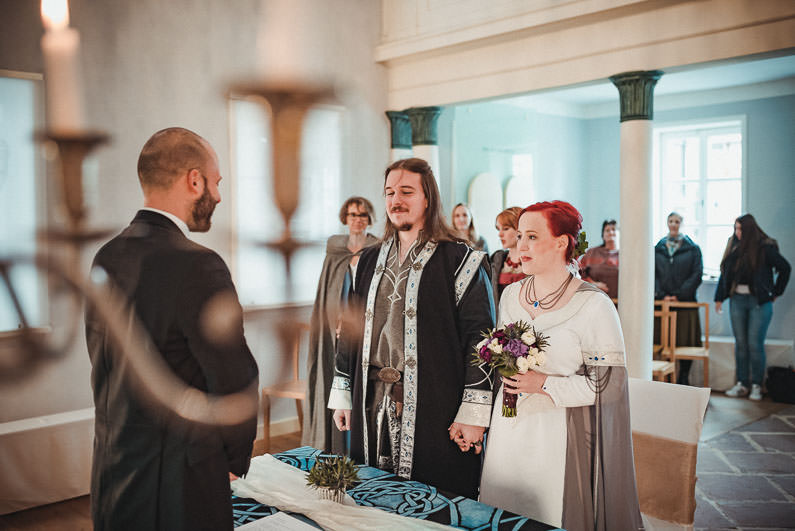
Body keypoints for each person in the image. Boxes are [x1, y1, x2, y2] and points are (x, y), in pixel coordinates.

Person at [85, 128, 259, 530]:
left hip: (113, 469)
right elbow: (233, 375)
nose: (218, 196)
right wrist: (233, 459)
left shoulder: (105, 256)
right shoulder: (198, 264)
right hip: (178, 480)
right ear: (194, 180)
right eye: (216, 183)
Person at [328, 158, 495, 499]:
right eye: (390, 192)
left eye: (406, 191)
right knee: (372, 496)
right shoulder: (367, 261)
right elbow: (351, 330)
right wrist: (343, 393)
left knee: (435, 499)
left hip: (437, 401)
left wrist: (474, 413)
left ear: (428, 198)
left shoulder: (462, 260)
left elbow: (481, 339)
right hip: (371, 401)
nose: (395, 200)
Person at [473, 201, 642, 530]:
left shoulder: (594, 305)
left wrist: (544, 383)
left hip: (558, 436)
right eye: (519, 235)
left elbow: (609, 385)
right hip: (508, 428)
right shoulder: (511, 294)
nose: (520, 246)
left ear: (562, 242)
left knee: (546, 516)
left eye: (532, 237)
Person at [303, 196, 379, 453]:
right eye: (352, 214)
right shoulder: (335, 251)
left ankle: (359, 446)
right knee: (331, 376)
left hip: (363, 330)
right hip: (333, 329)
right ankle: (331, 445)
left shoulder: (377, 250)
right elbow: (329, 291)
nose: (357, 219)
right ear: (344, 218)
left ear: (369, 218)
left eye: (362, 215)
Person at [715, 214, 790, 401]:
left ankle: (757, 384)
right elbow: (724, 273)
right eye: (735, 228)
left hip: (759, 302)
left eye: (740, 229)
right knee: (740, 344)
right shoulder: (733, 246)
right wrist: (719, 298)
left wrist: (775, 293)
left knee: (755, 344)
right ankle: (742, 384)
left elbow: (785, 268)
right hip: (737, 300)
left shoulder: (765, 247)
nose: (737, 232)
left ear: (749, 230)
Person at [654, 211, 703, 385]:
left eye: (677, 221)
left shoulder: (693, 249)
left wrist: (679, 295)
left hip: (685, 303)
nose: (674, 224)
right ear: (667, 223)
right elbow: (653, 275)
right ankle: (666, 377)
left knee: (685, 341)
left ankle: (683, 377)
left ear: (682, 224)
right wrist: (662, 295)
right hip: (663, 303)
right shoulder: (658, 248)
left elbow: (696, 274)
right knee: (664, 342)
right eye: (671, 221)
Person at [489, 206, 525, 303]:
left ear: (520, 229)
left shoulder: (535, 259)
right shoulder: (496, 260)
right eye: (498, 229)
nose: (500, 234)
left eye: (505, 229)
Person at [579, 219, 619, 298]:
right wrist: (594, 284)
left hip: (621, 305)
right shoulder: (592, 252)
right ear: (603, 235)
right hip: (594, 301)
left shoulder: (627, 256)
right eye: (607, 230)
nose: (611, 232)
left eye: (613, 229)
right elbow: (578, 274)